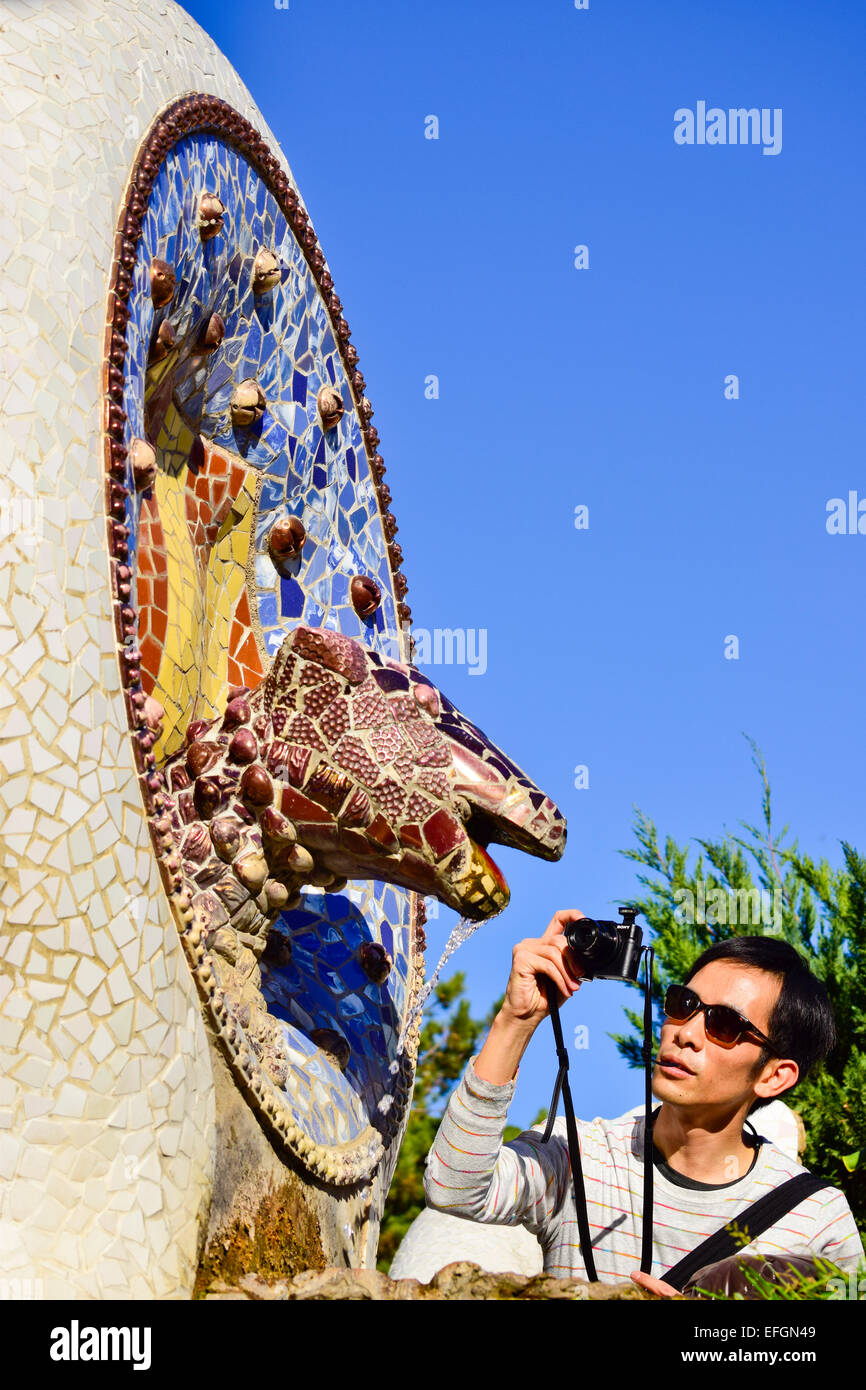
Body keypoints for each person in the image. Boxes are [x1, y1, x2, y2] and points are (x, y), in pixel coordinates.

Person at [423, 912, 864, 1294]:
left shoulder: (816, 1219)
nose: (684, 1032)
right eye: (683, 1004)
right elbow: (453, 1189)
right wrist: (515, 1021)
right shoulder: (584, 1154)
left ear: (774, 1076)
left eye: (724, 1024)